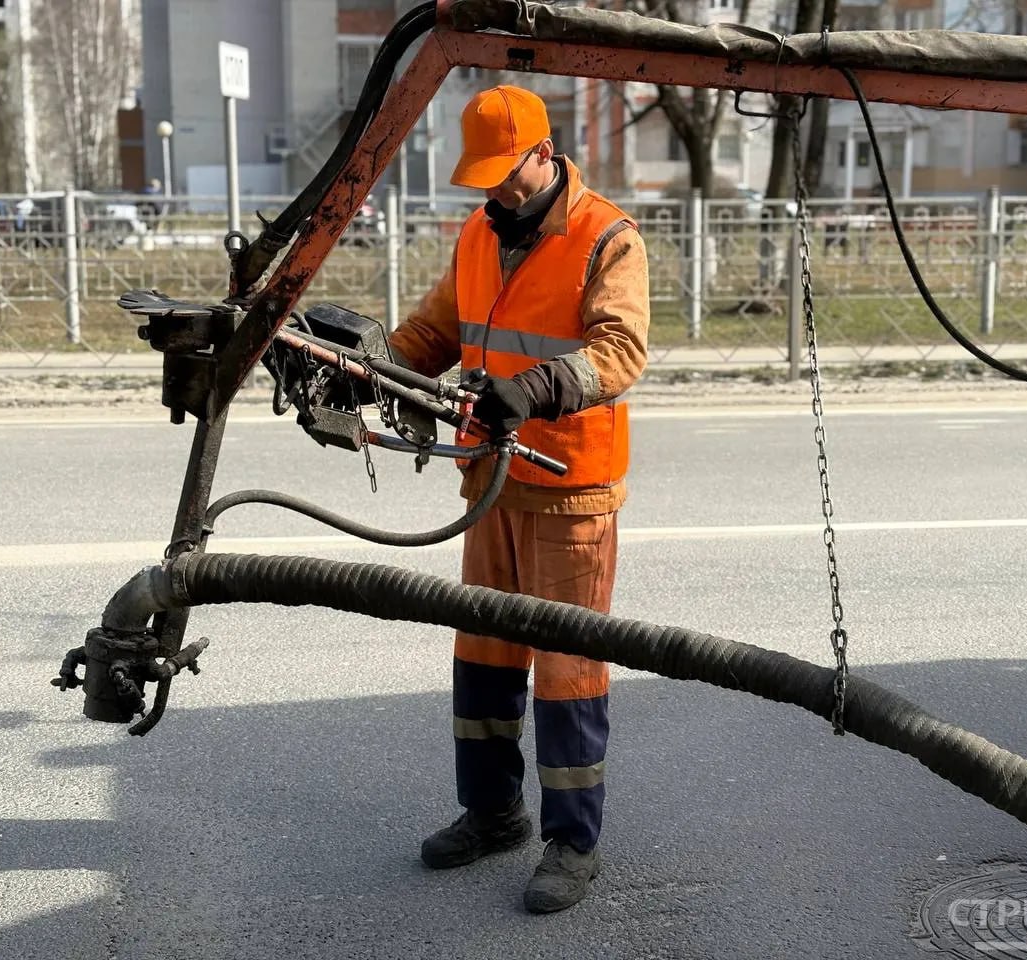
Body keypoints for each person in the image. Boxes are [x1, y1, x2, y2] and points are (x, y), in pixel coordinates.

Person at [386, 85, 650, 914]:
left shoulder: (606, 234)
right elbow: (433, 332)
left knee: (567, 672)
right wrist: (367, 361)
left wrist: (536, 386)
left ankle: (574, 843)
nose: (494, 191)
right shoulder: (477, 233)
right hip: (491, 480)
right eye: (485, 177)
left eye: (507, 173)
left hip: (569, 487)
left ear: (545, 152)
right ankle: (493, 812)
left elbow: (621, 349)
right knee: (485, 656)